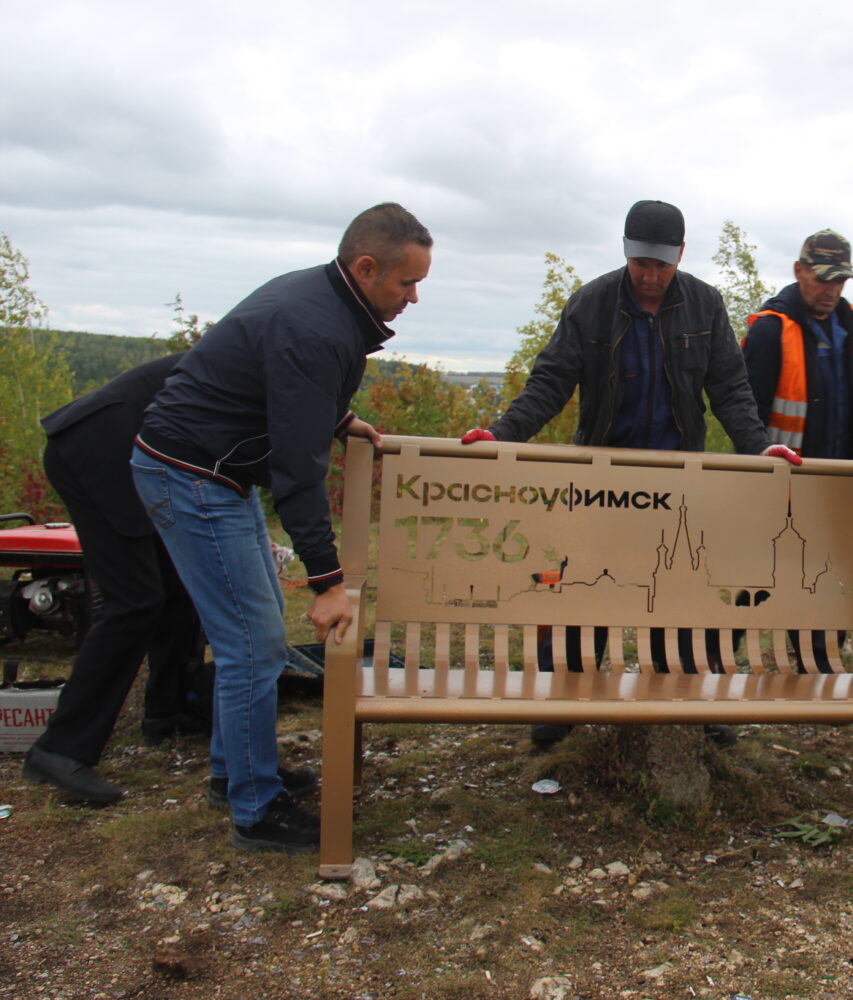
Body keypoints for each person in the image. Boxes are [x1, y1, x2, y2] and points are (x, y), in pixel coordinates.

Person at [132, 202, 432, 853]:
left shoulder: (325, 303)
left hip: (211, 470)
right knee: (254, 643)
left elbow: (288, 400)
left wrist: (338, 418)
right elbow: (298, 470)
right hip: (190, 476)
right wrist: (328, 581)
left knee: (255, 633)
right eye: (406, 283)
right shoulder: (316, 326)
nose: (413, 298)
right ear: (366, 266)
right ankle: (255, 810)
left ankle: (232, 772)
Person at [461, 199, 799, 746]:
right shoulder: (591, 303)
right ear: (625, 252)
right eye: (640, 262)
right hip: (600, 477)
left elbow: (730, 391)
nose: (649, 276)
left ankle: (699, 696)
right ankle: (562, 700)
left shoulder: (706, 306)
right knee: (581, 590)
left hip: (679, 479)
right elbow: (549, 382)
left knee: (691, 591)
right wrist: (501, 434)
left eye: (660, 265)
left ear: (680, 256)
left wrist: (759, 447)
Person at [21, 354, 211, 805]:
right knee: (135, 600)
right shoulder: (280, 341)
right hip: (98, 449)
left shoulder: (289, 344)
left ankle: (169, 710)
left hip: (142, 452)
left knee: (179, 586)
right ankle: (58, 749)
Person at [742, 229, 853, 460]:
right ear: (798, 271)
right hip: (787, 477)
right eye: (823, 279)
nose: (832, 291)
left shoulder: (851, 326)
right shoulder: (770, 330)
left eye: (840, 280)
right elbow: (747, 418)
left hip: (847, 475)